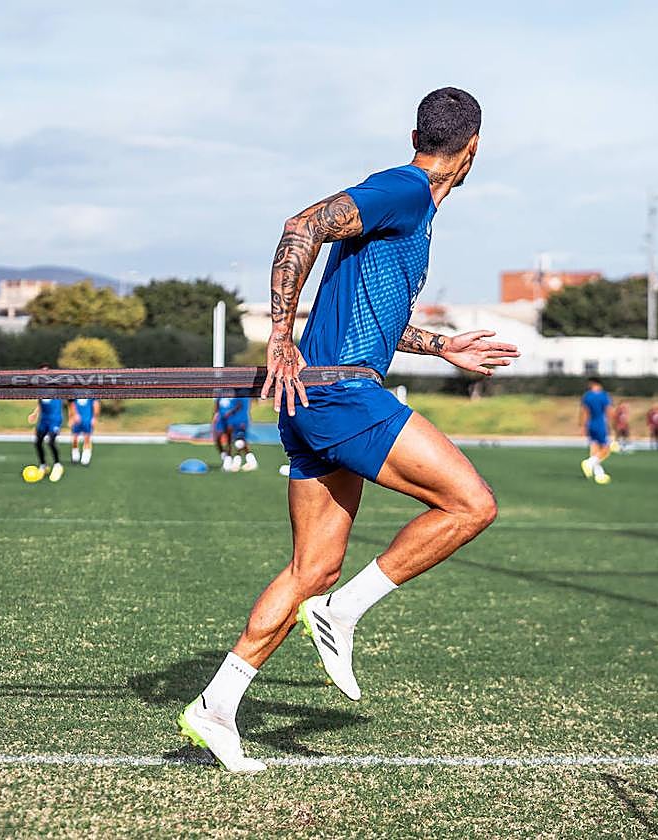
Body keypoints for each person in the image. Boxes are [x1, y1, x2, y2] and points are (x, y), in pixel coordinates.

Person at [178, 87, 521, 772]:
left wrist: (440, 346)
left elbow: (373, 319)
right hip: (339, 394)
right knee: (470, 504)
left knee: (314, 567)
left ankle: (215, 708)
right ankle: (344, 612)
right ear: (474, 147)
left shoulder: (406, 207)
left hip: (317, 396)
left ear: (417, 131)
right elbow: (302, 224)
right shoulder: (406, 189)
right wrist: (279, 334)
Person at [578, 377, 614, 485]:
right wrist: (611, 425)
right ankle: (589, 463)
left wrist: (583, 426)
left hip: (590, 424)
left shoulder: (587, 396)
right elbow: (609, 411)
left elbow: (584, 412)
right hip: (600, 424)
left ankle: (599, 474)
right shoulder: (603, 396)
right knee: (606, 450)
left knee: (594, 450)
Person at [213, 395, 257, 472]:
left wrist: (230, 413)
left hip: (237, 419)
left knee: (238, 441)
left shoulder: (241, 393)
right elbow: (217, 402)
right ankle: (229, 459)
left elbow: (241, 405)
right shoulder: (221, 392)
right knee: (220, 437)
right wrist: (216, 414)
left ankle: (239, 460)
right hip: (224, 418)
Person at [27, 397, 65, 482]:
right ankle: (43, 465)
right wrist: (35, 413)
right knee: (38, 442)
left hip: (55, 419)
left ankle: (57, 465)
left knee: (51, 441)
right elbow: (40, 403)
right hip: (44, 419)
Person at [69, 397, 99, 466]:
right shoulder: (75, 391)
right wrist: (73, 415)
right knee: (74, 438)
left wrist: (94, 418)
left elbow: (96, 404)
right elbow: (71, 403)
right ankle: (75, 455)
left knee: (87, 438)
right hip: (76, 419)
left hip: (87, 418)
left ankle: (86, 455)